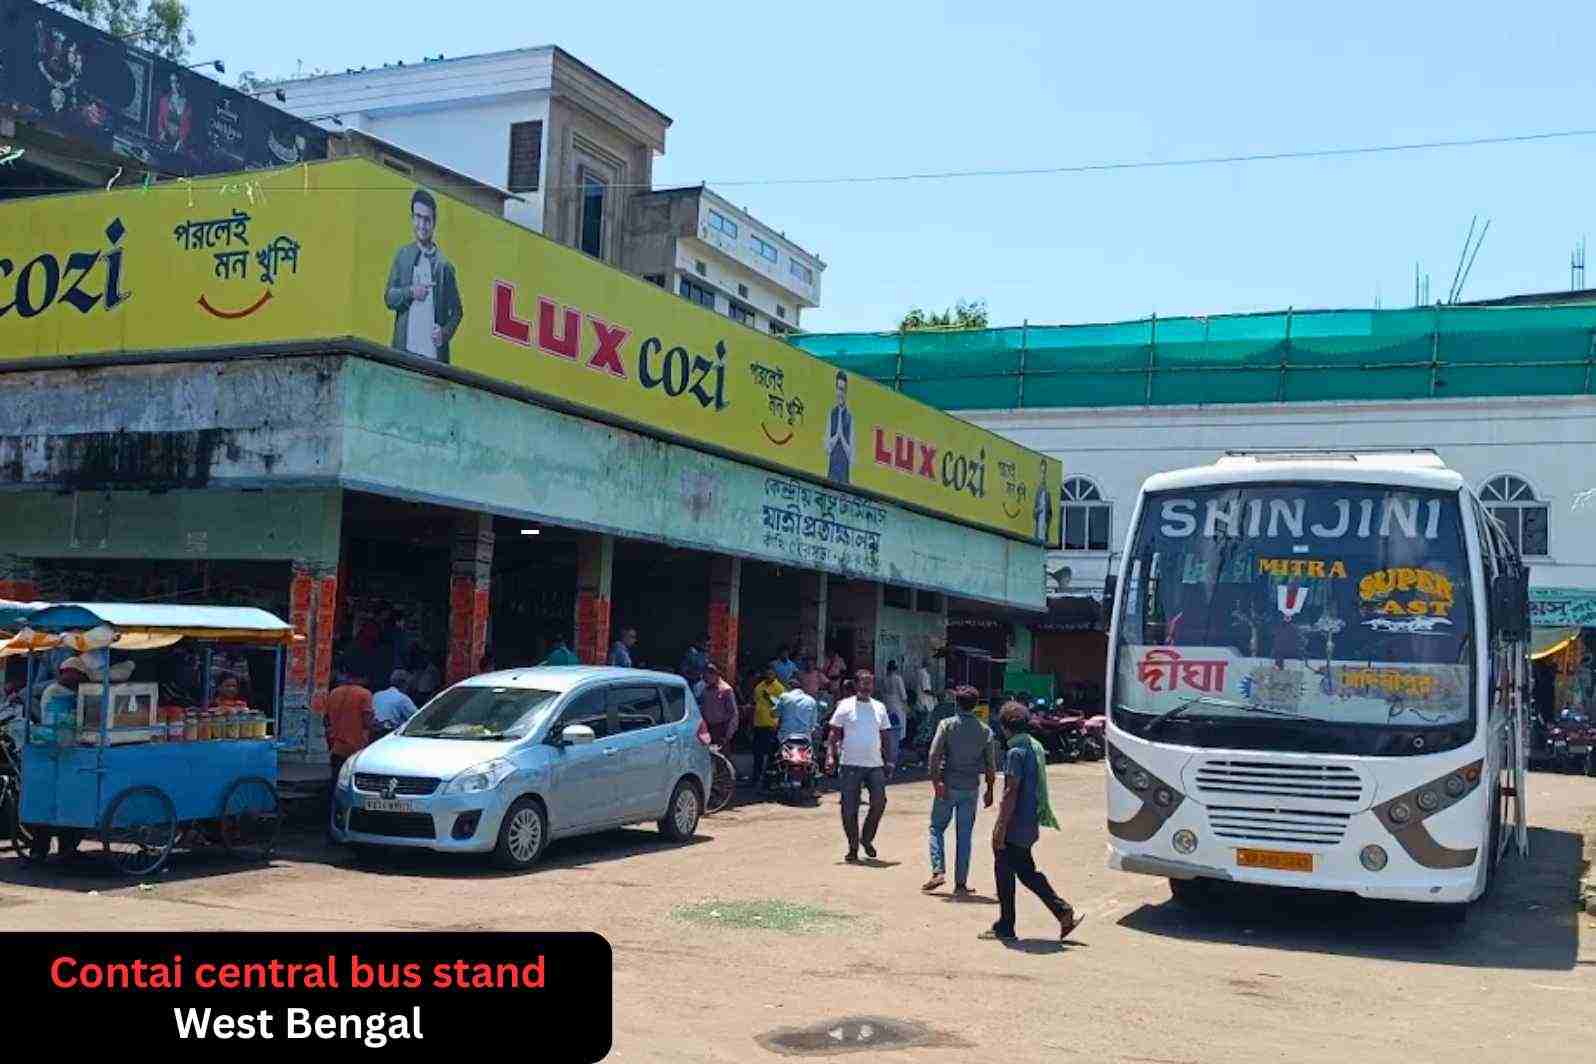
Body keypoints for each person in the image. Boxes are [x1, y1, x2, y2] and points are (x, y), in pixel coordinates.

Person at [981, 702, 1084, 943]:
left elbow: (1010, 792)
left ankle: (1013, 924)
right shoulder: (1034, 747)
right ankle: (1053, 913)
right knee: (1020, 871)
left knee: (1011, 871)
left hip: (1015, 823)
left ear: (1006, 728)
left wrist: (1000, 826)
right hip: (1029, 821)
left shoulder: (1016, 752)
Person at [923, 686, 996, 894]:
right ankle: (961, 883)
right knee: (964, 836)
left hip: (947, 785)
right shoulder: (985, 731)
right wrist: (989, 789)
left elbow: (934, 755)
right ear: (975, 705)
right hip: (971, 787)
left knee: (936, 828)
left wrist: (936, 782)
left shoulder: (946, 725)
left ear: (956, 703)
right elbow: (990, 765)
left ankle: (938, 871)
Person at [384, 188, 463, 362]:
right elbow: (389, 298)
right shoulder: (402, 256)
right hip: (403, 354)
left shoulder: (444, 266)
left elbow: (457, 311)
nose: (422, 225)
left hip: (433, 359)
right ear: (412, 218)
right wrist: (411, 292)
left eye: (427, 219)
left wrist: (444, 333)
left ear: (434, 223)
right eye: (418, 217)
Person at [827, 669, 893, 863]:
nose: (867, 687)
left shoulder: (879, 707)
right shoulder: (845, 706)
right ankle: (853, 846)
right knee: (849, 808)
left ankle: (867, 838)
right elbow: (834, 733)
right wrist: (830, 756)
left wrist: (889, 760)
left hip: (875, 765)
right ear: (856, 685)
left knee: (879, 802)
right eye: (863, 683)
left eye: (870, 683)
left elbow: (886, 735)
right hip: (850, 764)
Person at [322, 669, 375, 835]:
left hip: (336, 747)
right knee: (353, 790)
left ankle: (330, 824)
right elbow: (367, 722)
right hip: (356, 749)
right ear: (361, 678)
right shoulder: (365, 694)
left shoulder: (333, 693)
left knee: (335, 786)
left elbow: (326, 720)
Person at [750, 664, 787, 790]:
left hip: (771, 725)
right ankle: (755, 777)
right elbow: (755, 703)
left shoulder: (779, 688)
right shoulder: (759, 687)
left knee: (771, 754)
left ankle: (769, 780)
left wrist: (769, 697)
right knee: (757, 753)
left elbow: (781, 706)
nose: (769, 675)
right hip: (758, 724)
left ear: (775, 674)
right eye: (767, 673)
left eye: (771, 673)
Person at [698, 661, 740, 750]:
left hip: (721, 730)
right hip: (707, 729)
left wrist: (728, 735)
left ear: (716, 674)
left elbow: (734, 714)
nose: (706, 678)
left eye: (709, 674)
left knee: (721, 759)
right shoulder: (705, 690)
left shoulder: (726, 690)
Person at [823, 369, 854, 484]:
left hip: (844, 473)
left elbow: (851, 453)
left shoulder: (850, 418)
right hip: (832, 471)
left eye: (843, 390)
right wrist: (836, 436)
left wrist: (842, 438)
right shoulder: (831, 414)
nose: (840, 393)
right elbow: (827, 447)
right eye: (839, 389)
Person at [879, 660, 909, 777]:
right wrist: (906, 706)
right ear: (895, 668)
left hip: (887, 705)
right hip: (898, 706)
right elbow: (903, 695)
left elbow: (882, 693)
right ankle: (894, 758)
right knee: (898, 733)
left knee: (888, 731)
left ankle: (888, 758)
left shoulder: (884, 679)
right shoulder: (898, 679)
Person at [774, 668, 821, 742]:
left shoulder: (784, 697)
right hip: (805, 737)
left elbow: (775, 713)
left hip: (786, 735)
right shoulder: (811, 700)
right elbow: (813, 723)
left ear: (789, 685)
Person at [372, 669, 419, 734]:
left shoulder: (377, 695)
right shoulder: (402, 698)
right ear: (404, 684)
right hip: (391, 735)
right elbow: (417, 719)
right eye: (410, 685)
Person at [1033, 456, 1054, 544]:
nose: (1043, 475)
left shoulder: (1048, 493)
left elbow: (1050, 513)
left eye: (1044, 472)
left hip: (1044, 528)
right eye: (1041, 472)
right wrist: (1038, 510)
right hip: (1038, 528)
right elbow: (1032, 513)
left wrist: (1047, 525)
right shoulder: (1036, 491)